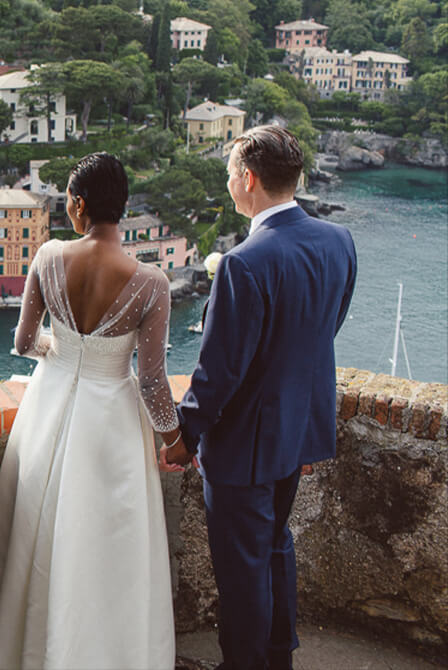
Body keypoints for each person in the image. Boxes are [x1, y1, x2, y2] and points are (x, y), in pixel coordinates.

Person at [0, 152, 178, 669]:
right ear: (121, 206)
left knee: (35, 535)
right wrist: (174, 438)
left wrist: (60, 352)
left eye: (66, 199)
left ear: (80, 205)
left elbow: (23, 343)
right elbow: (152, 381)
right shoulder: (152, 283)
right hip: (111, 420)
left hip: (49, 404)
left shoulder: (47, 257)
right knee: (105, 548)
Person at [164, 126, 356, 669]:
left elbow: (217, 373)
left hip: (244, 446)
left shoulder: (244, 262)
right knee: (274, 545)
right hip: (297, 432)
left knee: (241, 568)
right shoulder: (339, 241)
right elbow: (323, 332)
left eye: (230, 173)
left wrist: (184, 437)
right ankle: (277, 658)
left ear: (248, 179)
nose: (228, 183)